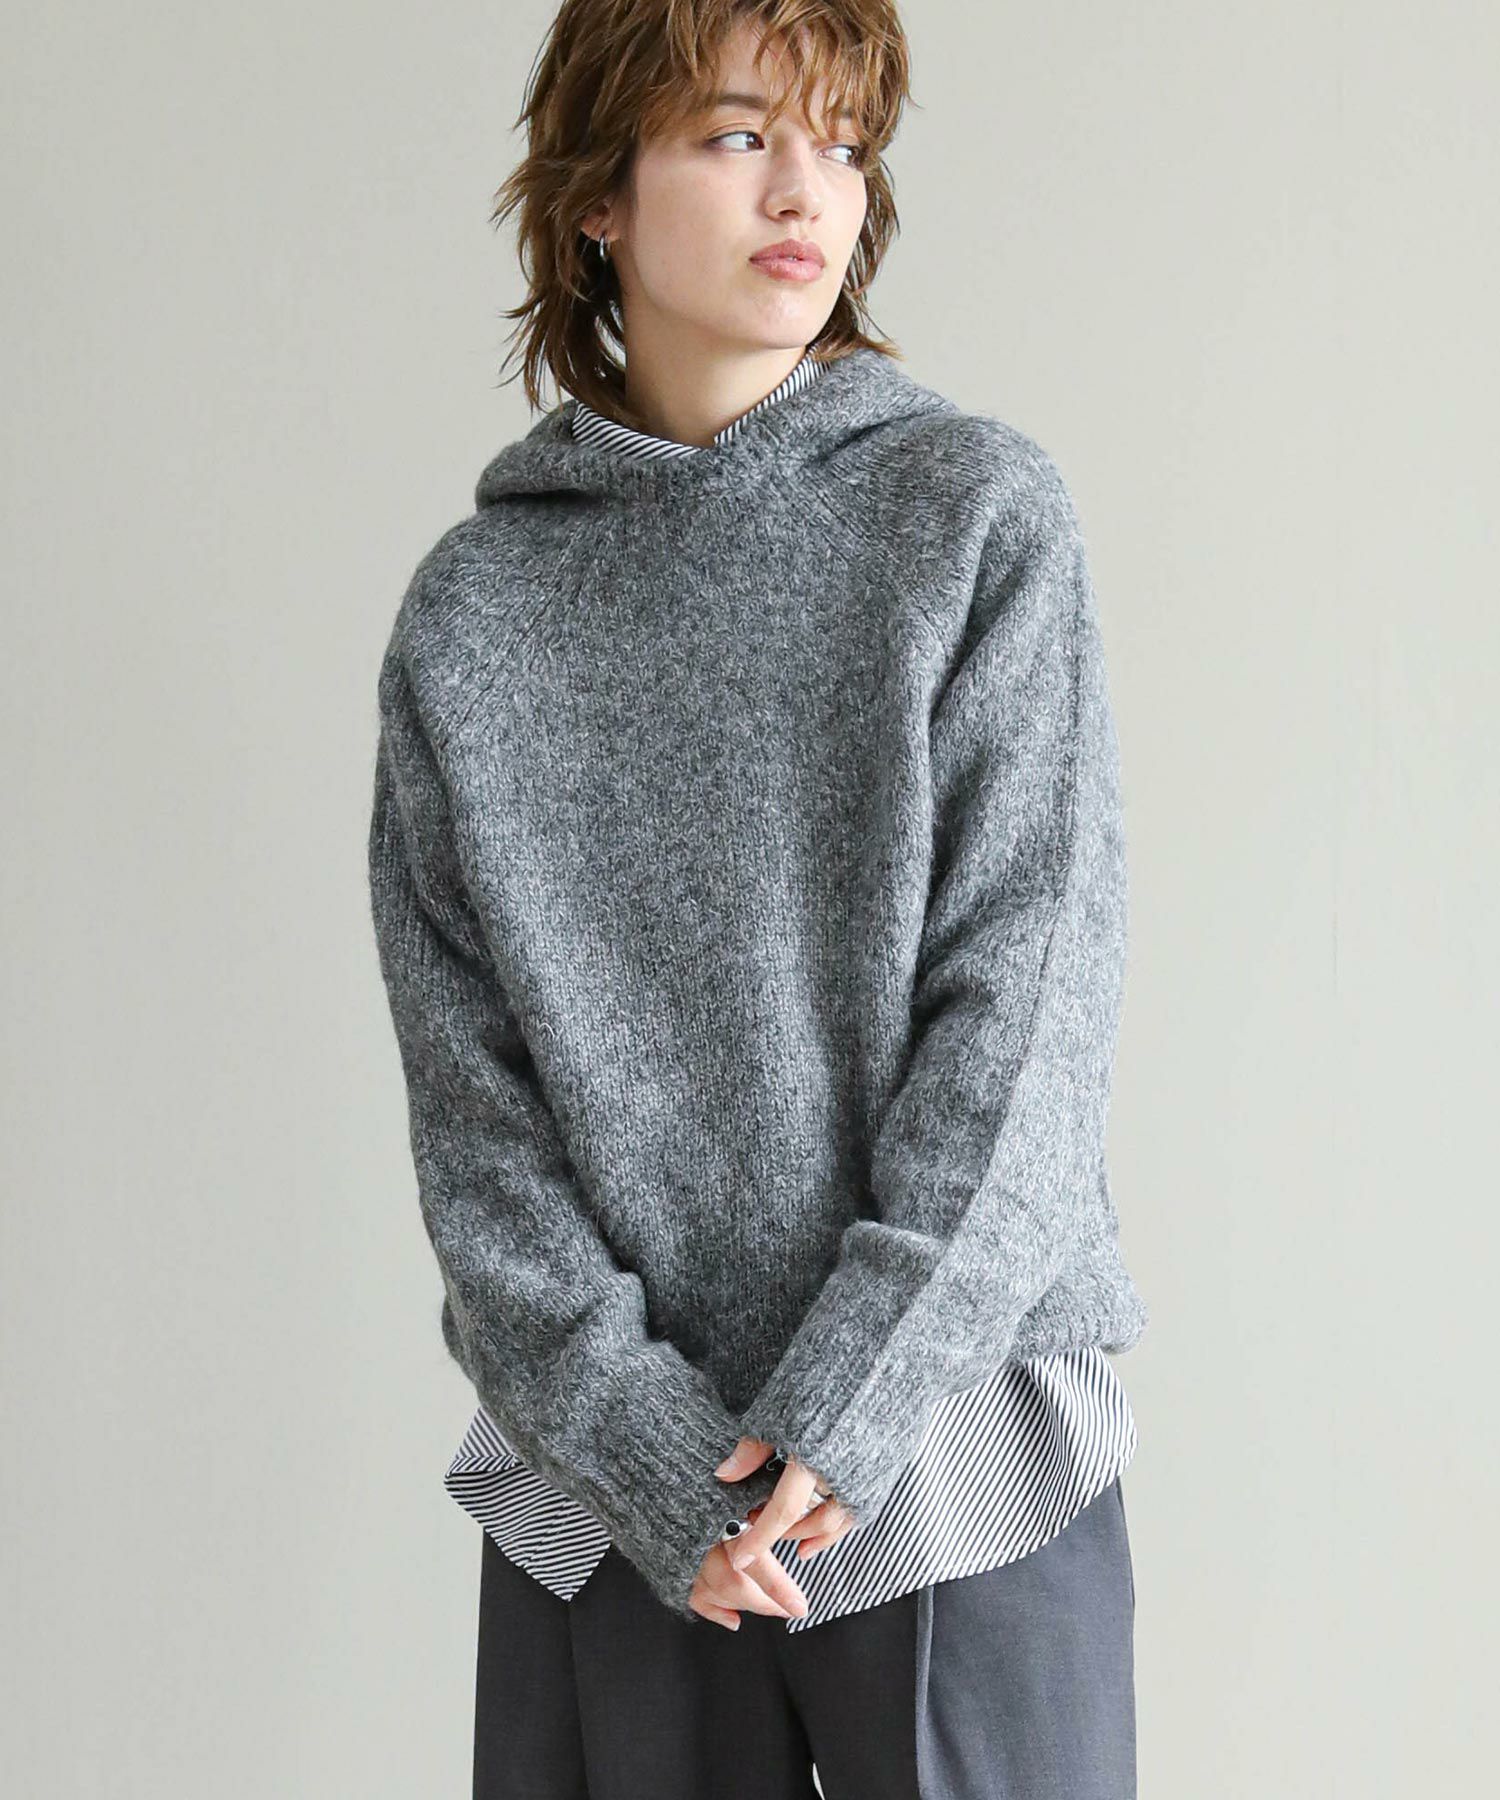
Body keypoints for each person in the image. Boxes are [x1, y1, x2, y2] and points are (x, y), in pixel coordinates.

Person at [366, 3, 1149, 1794]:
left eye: (843, 145)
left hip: (952, 1444)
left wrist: (853, 1401)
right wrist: (658, 1460)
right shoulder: (473, 618)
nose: (808, 193)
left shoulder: (973, 514)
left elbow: (1027, 1025)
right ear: (596, 198)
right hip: (616, 1485)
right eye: (736, 137)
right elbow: (476, 1132)